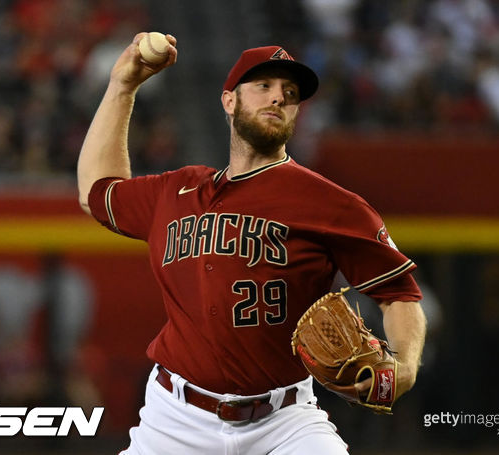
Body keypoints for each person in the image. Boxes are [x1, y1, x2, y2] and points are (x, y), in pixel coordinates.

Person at [77, 32, 427, 455]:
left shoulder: (332, 204)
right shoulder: (178, 191)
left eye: (290, 92)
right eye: (263, 86)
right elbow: (96, 192)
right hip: (174, 420)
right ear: (229, 101)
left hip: (285, 421)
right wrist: (122, 86)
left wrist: (404, 366)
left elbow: (399, 295)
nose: (278, 97)